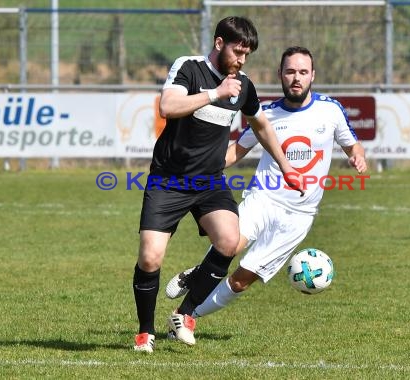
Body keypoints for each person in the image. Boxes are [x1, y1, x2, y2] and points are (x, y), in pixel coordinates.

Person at [165, 46, 367, 339]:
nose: (296, 78)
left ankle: (189, 308)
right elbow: (236, 150)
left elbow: (353, 144)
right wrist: (201, 167)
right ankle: (185, 316)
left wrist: (357, 156)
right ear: (280, 75)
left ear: (312, 75)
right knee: (229, 246)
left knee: (241, 280)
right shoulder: (266, 113)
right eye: (290, 72)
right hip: (263, 199)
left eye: (302, 72)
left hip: (300, 215)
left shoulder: (331, 110)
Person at [132, 17, 305, 353]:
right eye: (237, 52)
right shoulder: (190, 68)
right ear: (219, 42)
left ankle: (183, 314)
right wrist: (215, 93)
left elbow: (263, 127)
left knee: (228, 242)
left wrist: (286, 167)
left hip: (209, 181)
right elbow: (168, 107)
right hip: (168, 179)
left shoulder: (244, 86)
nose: (241, 60)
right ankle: (145, 332)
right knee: (151, 259)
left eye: (247, 55)